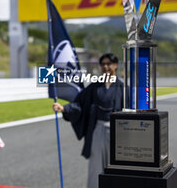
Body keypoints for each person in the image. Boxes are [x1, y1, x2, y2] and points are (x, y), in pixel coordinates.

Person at [52, 53, 125, 188]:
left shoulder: (122, 87)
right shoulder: (94, 86)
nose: (105, 67)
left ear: (115, 65)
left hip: (117, 132)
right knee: (95, 165)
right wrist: (64, 108)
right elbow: (80, 103)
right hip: (97, 129)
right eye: (103, 64)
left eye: (108, 64)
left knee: (116, 166)